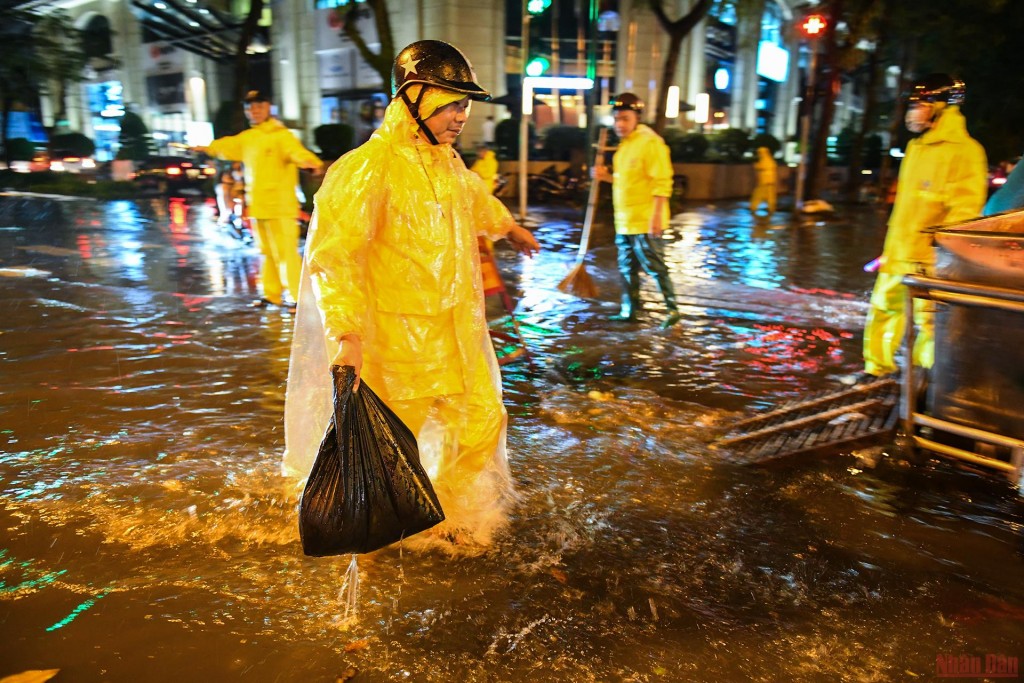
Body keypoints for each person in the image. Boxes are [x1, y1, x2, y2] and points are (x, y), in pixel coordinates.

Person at [283, 40, 540, 549]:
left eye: (465, 104)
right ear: (415, 99)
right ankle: (390, 535)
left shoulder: (445, 163)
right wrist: (347, 334)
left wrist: (509, 228)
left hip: (456, 333)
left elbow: (474, 198)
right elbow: (335, 258)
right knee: (398, 444)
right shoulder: (367, 168)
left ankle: (442, 513)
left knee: (483, 420)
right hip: (397, 340)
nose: (461, 116)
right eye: (451, 103)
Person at [861, 73, 987, 381]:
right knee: (883, 311)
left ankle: (928, 381)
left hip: (931, 260)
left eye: (920, 104)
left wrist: (946, 259)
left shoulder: (966, 152)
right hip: (898, 252)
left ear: (942, 106)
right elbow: (906, 207)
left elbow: (964, 214)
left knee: (931, 321)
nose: (912, 112)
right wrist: (888, 251)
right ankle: (877, 370)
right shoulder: (916, 148)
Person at [199, 90, 324, 310]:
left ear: (268, 108)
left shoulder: (281, 135)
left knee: (286, 253)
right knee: (266, 253)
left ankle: (297, 297)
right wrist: (205, 148)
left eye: (258, 106)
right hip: (259, 206)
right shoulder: (249, 138)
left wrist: (309, 162)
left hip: (281, 206)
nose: (254, 111)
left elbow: (296, 152)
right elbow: (225, 146)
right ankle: (271, 294)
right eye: (250, 108)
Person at [594, 92, 681, 329]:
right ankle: (629, 309)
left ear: (637, 118)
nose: (619, 124)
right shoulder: (625, 146)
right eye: (616, 119)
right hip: (624, 220)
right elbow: (628, 181)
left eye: (625, 118)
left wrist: (656, 217)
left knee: (654, 265)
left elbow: (662, 182)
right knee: (627, 267)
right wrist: (606, 177)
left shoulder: (650, 143)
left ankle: (672, 310)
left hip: (645, 219)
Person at [750, 146, 778, 216]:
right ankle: (771, 208)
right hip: (770, 182)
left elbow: (762, 167)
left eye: (759, 153)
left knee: (758, 195)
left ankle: (753, 207)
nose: (759, 154)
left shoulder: (765, 160)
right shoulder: (771, 160)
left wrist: (756, 165)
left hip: (764, 182)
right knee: (770, 196)